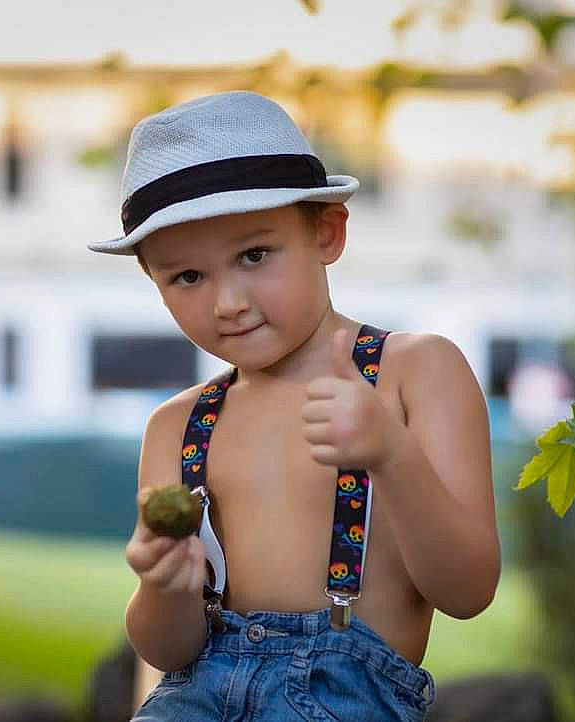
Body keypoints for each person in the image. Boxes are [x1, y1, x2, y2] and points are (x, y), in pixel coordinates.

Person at [87, 91, 500, 721]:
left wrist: (390, 453)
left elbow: (468, 590)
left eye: (254, 256)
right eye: (188, 277)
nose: (227, 301)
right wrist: (159, 583)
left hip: (338, 700)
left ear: (327, 233)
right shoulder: (176, 427)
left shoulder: (415, 372)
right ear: (155, 282)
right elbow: (169, 651)